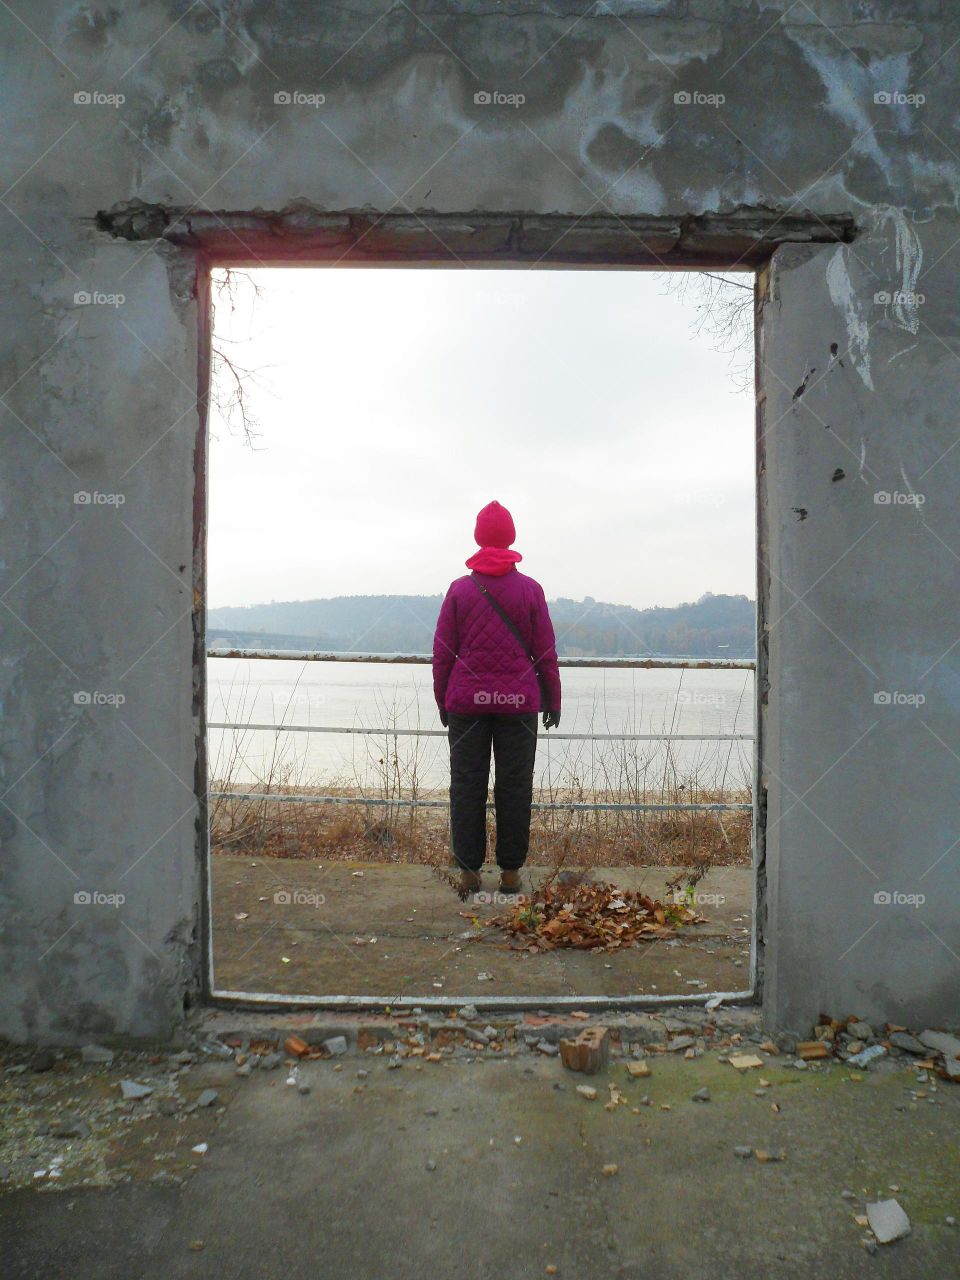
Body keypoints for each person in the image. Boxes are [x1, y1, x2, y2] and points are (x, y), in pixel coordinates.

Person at [432, 500, 561, 897]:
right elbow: (545, 652)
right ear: (511, 537)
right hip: (518, 703)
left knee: (467, 784)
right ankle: (509, 874)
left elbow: (442, 653)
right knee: (515, 786)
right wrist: (552, 700)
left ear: (477, 537)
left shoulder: (459, 590)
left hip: (467, 704)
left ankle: (470, 874)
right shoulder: (531, 590)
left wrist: (442, 700)